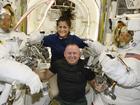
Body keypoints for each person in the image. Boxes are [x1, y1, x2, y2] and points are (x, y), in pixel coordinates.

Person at [85, 22, 140, 105]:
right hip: (102, 99)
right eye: (120, 34)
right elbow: (106, 51)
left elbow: (128, 78)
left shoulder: (136, 56)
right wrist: (92, 44)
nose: (121, 37)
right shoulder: (118, 48)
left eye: (126, 35)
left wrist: (105, 61)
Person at [0, 4, 43, 105]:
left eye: (8, 18)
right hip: (5, 86)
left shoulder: (17, 35)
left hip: (17, 87)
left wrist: (36, 38)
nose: (5, 22)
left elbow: (27, 46)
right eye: (2, 18)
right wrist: (28, 76)